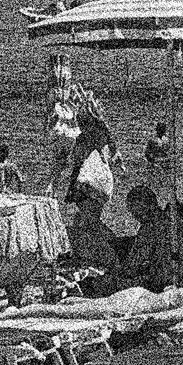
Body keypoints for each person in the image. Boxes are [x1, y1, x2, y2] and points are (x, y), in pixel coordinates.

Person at [66, 112, 118, 275]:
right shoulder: (104, 136)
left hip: (88, 183)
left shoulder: (83, 138)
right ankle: (106, 252)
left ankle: (99, 256)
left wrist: (71, 189)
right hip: (104, 183)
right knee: (91, 219)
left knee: (86, 221)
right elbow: (113, 157)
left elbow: (77, 164)